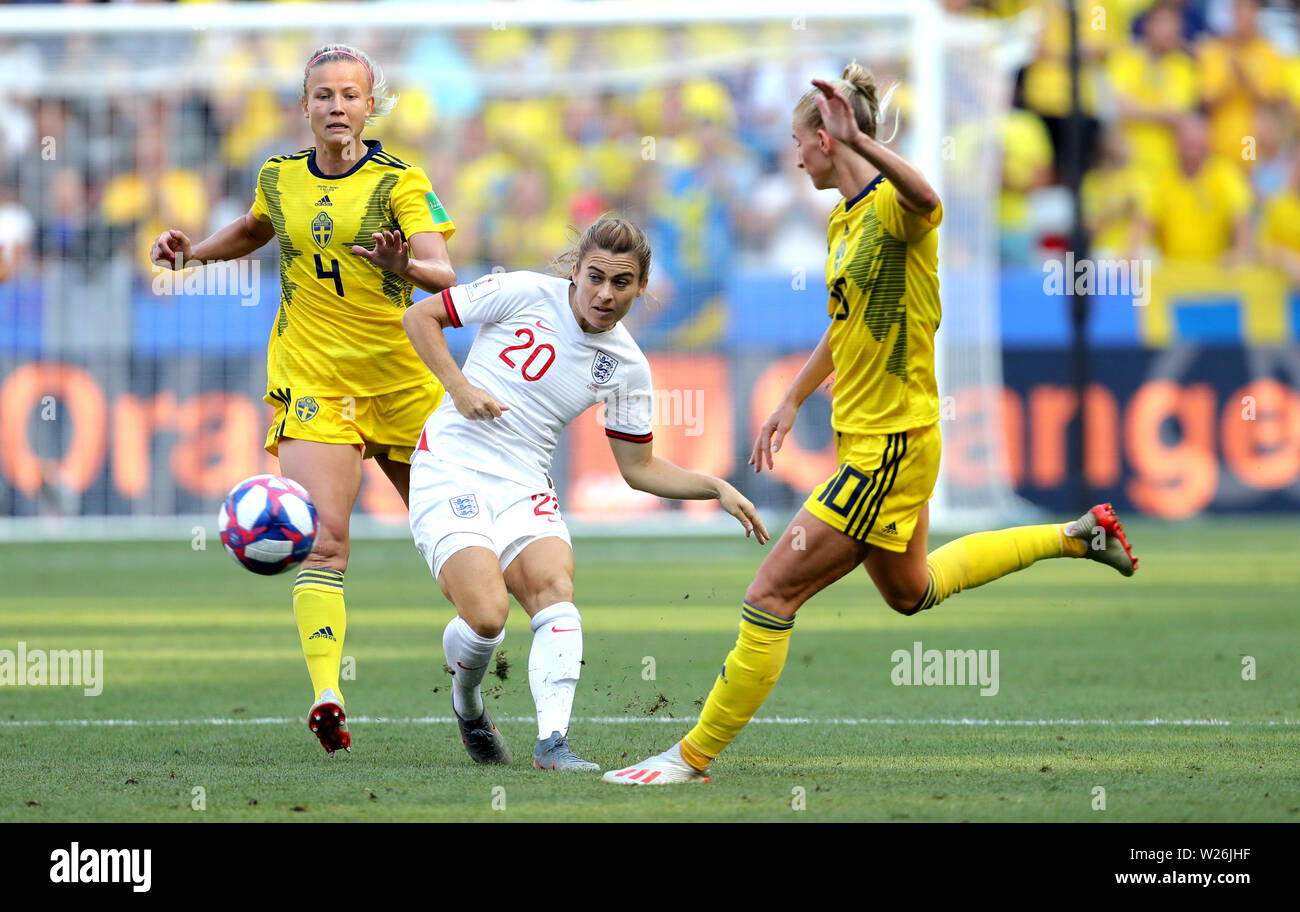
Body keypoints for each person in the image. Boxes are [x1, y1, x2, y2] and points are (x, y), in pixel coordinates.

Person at [604, 65, 1138, 786]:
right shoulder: (845, 218)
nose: (795, 158)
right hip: (874, 440)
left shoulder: (891, 206)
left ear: (829, 139)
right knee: (909, 591)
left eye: (802, 142)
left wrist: (867, 144)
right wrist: (794, 397)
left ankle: (689, 758)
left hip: (891, 446)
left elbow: (928, 196)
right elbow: (845, 320)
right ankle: (1077, 535)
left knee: (771, 595)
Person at [149, 44, 457, 756]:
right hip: (314, 381)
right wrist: (194, 251)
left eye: (351, 94)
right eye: (324, 95)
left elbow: (441, 270)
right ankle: (327, 694)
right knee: (326, 541)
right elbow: (256, 230)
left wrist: (401, 263)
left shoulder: (400, 182)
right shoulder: (278, 176)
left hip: (404, 383)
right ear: (305, 106)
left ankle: (477, 661)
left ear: (370, 105)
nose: (338, 106)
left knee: (453, 544)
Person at [400, 215, 768, 769]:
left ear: (641, 288)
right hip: (451, 466)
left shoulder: (626, 366)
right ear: (575, 271)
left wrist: (714, 486)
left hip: (525, 483)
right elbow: (420, 315)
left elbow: (639, 468)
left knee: (556, 589)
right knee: (487, 616)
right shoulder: (520, 290)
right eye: (595, 276)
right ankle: (468, 702)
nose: (605, 293)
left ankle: (553, 744)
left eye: (622, 284)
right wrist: (462, 387)